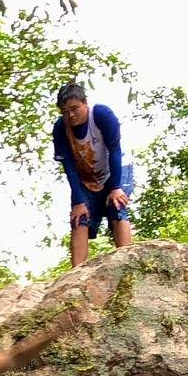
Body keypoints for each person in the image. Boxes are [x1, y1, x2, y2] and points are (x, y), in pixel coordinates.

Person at [53, 83, 134, 268]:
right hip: (85, 176)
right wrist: (79, 201)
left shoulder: (101, 115)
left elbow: (115, 150)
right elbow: (69, 166)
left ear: (85, 103)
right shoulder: (61, 129)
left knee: (117, 206)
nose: (70, 115)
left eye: (74, 109)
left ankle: (127, 263)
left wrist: (115, 187)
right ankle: (76, 274)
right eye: (65, 112)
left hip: (115, 168)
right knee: (79, 217)